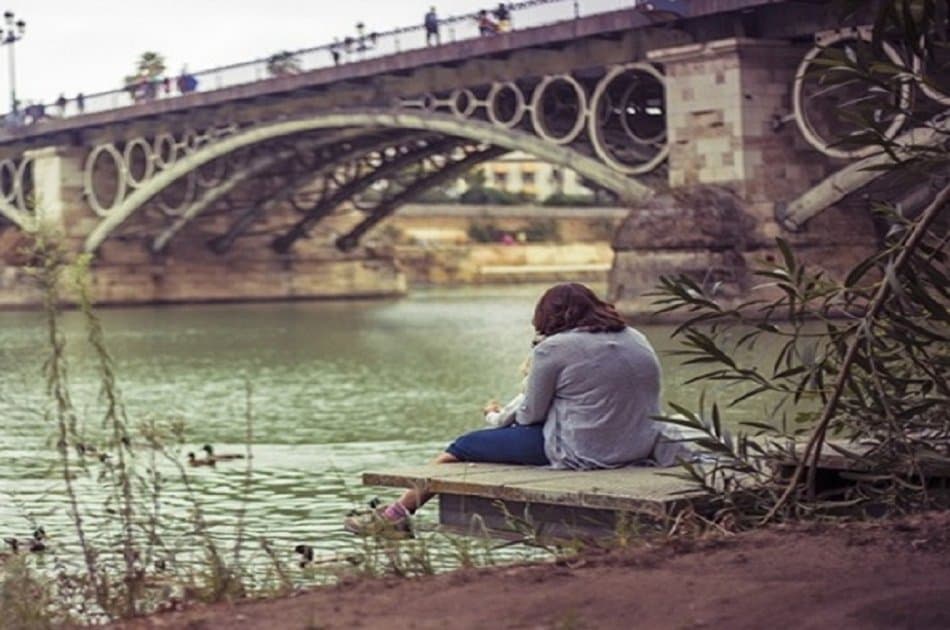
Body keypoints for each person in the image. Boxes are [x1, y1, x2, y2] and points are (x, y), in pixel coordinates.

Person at [344, 282, 666, 535]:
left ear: (548, 316)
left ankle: (396, 515)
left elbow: (530, 415)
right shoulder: (635, 337)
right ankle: (397, 512)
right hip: (638, 445)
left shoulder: (553, 348)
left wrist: (496, 415)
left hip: (584, 452)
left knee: (464, 446)